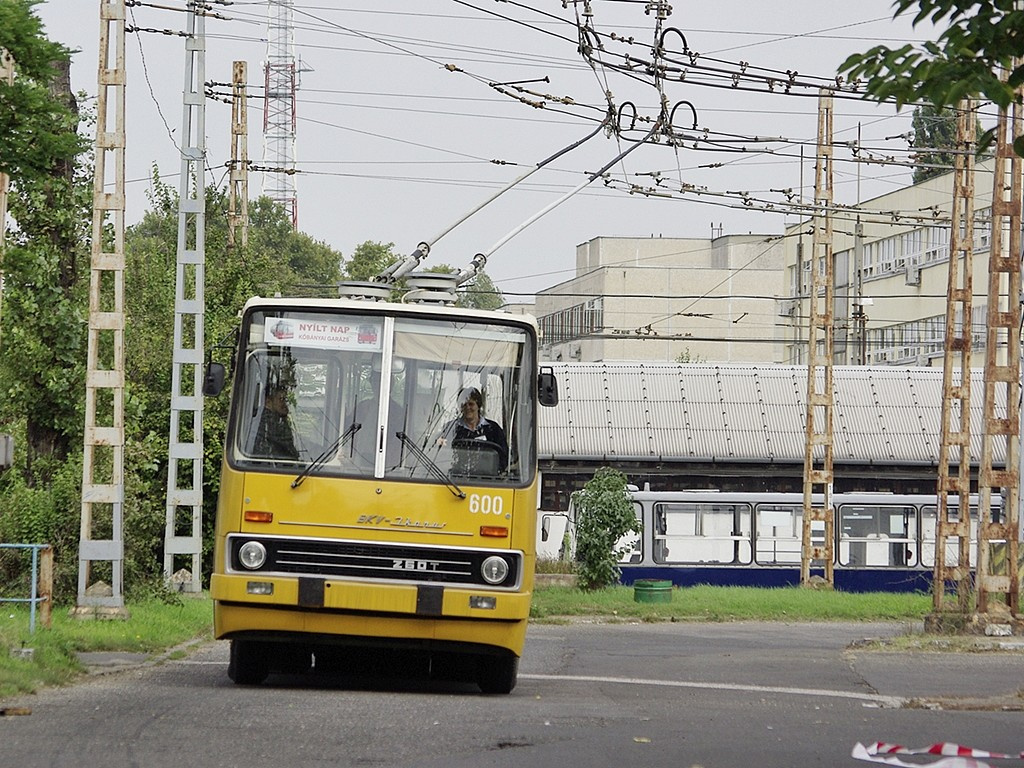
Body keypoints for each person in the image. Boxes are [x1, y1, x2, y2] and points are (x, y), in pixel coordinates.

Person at [439, 387, 508, 472]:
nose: (467, 407)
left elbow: (504, 457)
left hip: (488, 480)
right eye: (464, 404)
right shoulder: (450, 428)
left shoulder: (494, 429)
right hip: (455, 477)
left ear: (478, 405)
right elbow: (440, 453)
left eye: (471, 404)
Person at [252, 385, 299, 460]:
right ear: (268, 403)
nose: (285, 404)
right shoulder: (267, 422)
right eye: (281, 399)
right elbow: (287, 448)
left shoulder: (278, 420)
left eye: (285, 400)